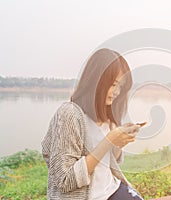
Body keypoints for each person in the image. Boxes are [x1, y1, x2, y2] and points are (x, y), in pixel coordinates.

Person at [42, 48, 144, 200]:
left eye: (120, 86)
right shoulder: (70, 114)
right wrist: (108, 140)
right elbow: (64, 180)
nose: (117, 92)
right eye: (113, 84)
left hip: (112, 190)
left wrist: (118, 143)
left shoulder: (108, 115)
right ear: (96, 81)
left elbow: (110, 162)